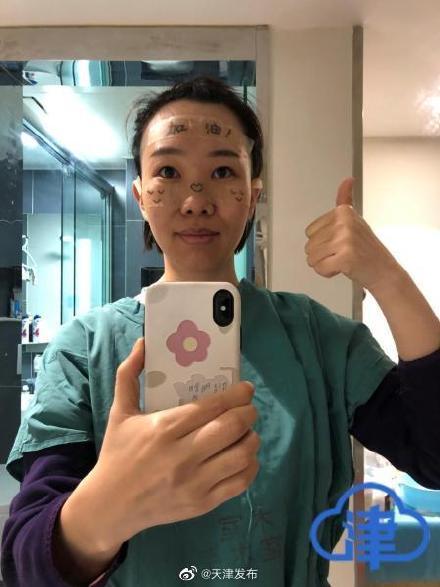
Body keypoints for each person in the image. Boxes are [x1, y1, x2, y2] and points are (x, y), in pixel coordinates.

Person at [1, 75, 440, 587]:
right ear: (140, 196)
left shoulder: (319, 340)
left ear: (253, 196)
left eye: (223, 171)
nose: (195, 201)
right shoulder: (84, 350)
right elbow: (24, 568)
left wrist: (387, 277)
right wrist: (107, 505)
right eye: (168, 171)